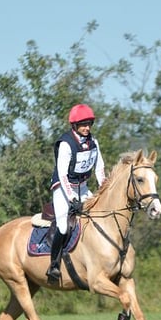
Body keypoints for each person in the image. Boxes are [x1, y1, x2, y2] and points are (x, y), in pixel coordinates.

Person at [46, 103, 107, 283]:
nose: (87, 128)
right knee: (63, 226)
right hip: (63, 188)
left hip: (82, 187)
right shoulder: (66, 144)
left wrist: (103, 191)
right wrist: (72, 198)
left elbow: (100, 169)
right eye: (83, 124)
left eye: (89, 124)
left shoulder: (93, 143)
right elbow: (63, 174)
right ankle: (54, 265)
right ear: (74, 125)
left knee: (100, 215)